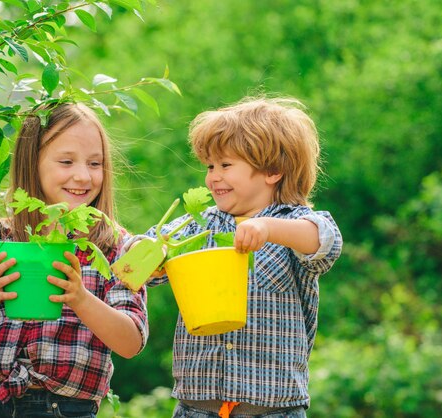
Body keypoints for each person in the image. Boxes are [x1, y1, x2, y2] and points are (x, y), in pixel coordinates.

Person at [0, 102, 148, 418]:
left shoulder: (113, 247)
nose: (82, 175)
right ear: (31, 163)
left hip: (66, 408)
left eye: (95, 163)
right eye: (66, 161)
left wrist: (80, 299)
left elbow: (131, 341)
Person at [145, 96, 343, 417]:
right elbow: (154, 245)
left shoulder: (293, 224)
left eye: (225, 165)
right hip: (197, 408)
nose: (213, 177)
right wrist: (150, 262)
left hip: (273, 410)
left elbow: (326, 241)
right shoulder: (200, 223)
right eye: (210, 166)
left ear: (273, 171)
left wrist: (266, 227)